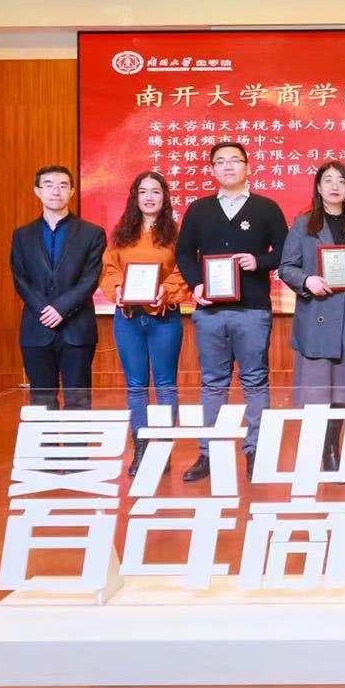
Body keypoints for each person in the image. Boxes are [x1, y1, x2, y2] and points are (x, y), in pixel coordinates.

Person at [174, 141, 290, 481]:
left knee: (255, 381)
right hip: (210, 311)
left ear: (247, 167)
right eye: (220, 162)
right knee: (213, 382)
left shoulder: (266, 208)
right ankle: (209, 454)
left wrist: (260, 261)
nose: (228, 166)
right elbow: (184, 253)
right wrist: (197, 285)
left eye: (235, 161)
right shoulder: (199, 209)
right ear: (212, 169)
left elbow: (286, 251)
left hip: (252, 310)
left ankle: (256, 452)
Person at [278, 161, 345, 473]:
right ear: (319, 188)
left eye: (341, 181)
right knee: (317, 391)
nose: (335, 186)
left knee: (341, 392)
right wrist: (307, 280)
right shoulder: (303, 224)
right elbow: (286, 267)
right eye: (328, 180)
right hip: (316, 316)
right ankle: (319, 450)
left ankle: (332, 448)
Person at [100, 171, 190, 477]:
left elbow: (183, 272)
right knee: (136, 386)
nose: (149, 197)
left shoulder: (176, 234)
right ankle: (140, 448)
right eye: (143, 192)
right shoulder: (121, 234)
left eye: (155, 192)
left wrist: (165, 291)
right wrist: (117, 290)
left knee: (165, 385)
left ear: (165, 198)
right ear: (135, 198)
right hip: (128, 319)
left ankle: (162, 450)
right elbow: (109, 270)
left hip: (164, 318)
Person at [8, 165, 107, 410]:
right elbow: (20, 278)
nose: (56, 191)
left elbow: (90, 277)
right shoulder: (22, 235)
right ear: (37, 191)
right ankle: (45, 439)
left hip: (77, 328)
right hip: (37, 327)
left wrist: (61, 308)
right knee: (41, 402)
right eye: (49, 185)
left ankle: (75, 439)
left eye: (63, 186)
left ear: (72, 191)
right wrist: (45, 310)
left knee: (78, 402)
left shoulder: (92, 233)